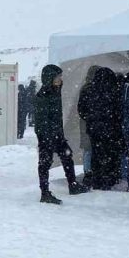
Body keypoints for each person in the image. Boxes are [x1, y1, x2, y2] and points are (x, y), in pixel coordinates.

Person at [34, 64, 89, 204]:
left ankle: (73, 184)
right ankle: (45, 193)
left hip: (57, 133)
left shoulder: (55, 91)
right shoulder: (43, 96)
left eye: (60, 76)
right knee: (45, 163)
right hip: (46, 135)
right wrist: (48, 138)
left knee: (67, 156)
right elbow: (41, 121)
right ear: (49, 78)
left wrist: (58, 134)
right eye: (57, 77)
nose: (60, 79)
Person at [77, 67, 124, 190]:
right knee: (109, 154)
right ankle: (108, 179)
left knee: (96, 155)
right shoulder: (113, 91)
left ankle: (96, 179)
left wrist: (91, 119)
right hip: (110, 130)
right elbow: (118, 112)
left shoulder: (88, 90)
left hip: (94, 129)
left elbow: (81, 110)